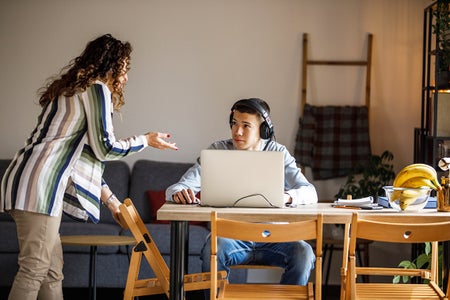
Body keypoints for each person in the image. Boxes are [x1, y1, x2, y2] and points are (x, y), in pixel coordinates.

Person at [0, 33, 178, 300]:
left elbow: (81, 161)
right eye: (124, 68)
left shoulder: (69, 91)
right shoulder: (96, 89)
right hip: (39, 186)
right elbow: (105, 149)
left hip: (26, 181)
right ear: (110, 65)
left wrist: (112, 202)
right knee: (34, 269)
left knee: (52, 271)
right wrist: (146, 140)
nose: (126, 77)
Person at [165, 98, 318, 291]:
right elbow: (176, 188)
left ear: (263, 130)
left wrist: (287, 197)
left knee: (303, 252)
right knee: (214, 248)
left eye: (246, 126)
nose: (237, 131)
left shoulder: (278, 152)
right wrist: (179, 193)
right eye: (234, 124)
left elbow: (310, 192)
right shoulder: (217, 151)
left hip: (275, 237)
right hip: (230, 237)